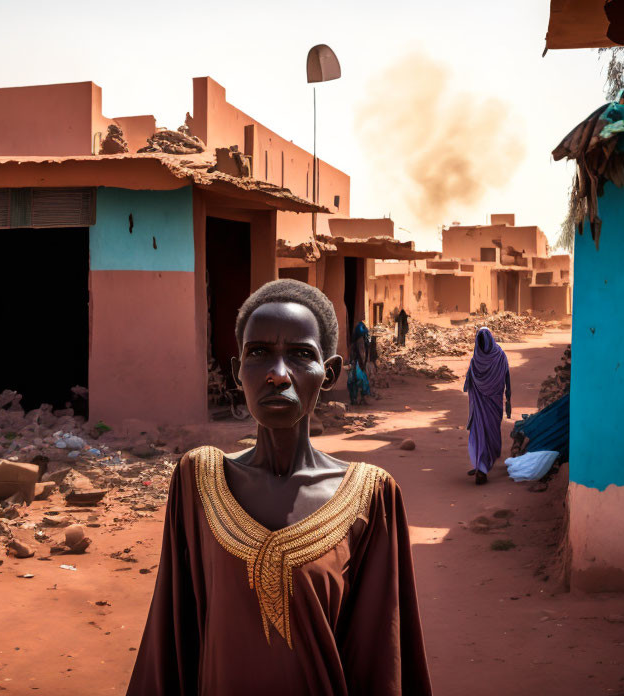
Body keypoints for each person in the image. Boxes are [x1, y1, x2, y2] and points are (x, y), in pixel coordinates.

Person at [127, 279, 432, 696]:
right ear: (238, 371)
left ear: (331, 373)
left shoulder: (370, 496)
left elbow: (380, 661)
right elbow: (172, 645)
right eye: (259, 354)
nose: (277, 374)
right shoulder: (196, 482)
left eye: (301, 355)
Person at [464, 327, 512, 485]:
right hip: (493, 403)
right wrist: (508, 397)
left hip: (480, 405)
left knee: (480, 434)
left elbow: (469, 383)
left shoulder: (476, 359)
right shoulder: (499, 356)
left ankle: (480, 464)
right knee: (489, 433)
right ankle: (482, 467)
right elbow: (506, 378)